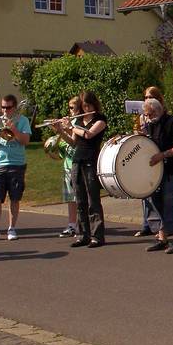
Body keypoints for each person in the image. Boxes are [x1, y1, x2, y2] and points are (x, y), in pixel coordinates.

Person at [0, 94, 32, 242]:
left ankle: (12, 228)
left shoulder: (22, 121)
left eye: (8, 107)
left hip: (17, 163)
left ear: (14, 108)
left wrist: (13, 129)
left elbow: (25, 141)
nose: (5, 110)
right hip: (0, 163)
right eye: (3, 107)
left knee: (14, 198)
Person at [143, 97, 173, 254]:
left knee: (171, 203)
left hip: (170, 170)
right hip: (155, 171)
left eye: (149, 114)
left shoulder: (172, 122)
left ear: (157, 111)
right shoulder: (150, 125)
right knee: (155, 202)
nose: (147, 118)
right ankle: (161, 238)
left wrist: (163, 155)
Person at [66, 91, 108, 248]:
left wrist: (71, 126)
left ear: (93, 104)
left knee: (93, 200)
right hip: (77, 160)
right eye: (83, 106)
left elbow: (89, 134)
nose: (86, 108)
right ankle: (82, 234)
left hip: (91, 160)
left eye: (88, 105)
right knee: (80, 200)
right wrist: (60, 129)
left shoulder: (100, 119)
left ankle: (97, 236)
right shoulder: (78, 120)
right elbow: (73, 141)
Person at [135, 85, 167, 237]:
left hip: (159, 157)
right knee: (145, 193)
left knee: (158, 196)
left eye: (150, 97)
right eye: (145, 97)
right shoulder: (143, 116)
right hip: (145, 156)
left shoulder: (164, 117)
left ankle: (161, 229)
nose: (147, 100)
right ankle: (147, 224)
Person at [50, 97, 83, 238]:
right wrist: (58, 131)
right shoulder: (71, 122)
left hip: (78, 163)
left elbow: (75, 141)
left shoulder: (81, 122)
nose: (71, 110)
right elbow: (65, 142)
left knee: (80, 197)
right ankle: (71, 225)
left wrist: (67, 128)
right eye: (69, 107)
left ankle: (82, 225)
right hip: (67, 164)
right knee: (70, 197)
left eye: (73, 107)